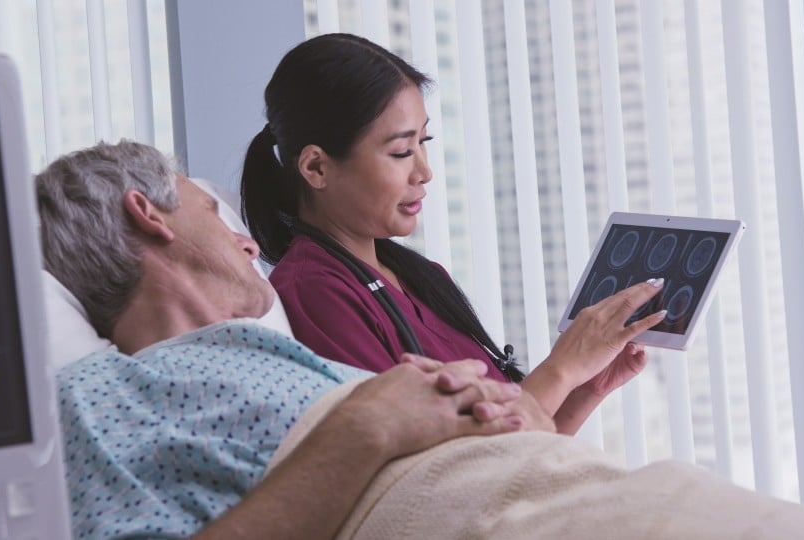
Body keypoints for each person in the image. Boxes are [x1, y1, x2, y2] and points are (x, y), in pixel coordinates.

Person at [40, 141, 804, 540]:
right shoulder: (101, 397)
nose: (246, 236)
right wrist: (368, 425)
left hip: (571, 491)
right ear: (146, 215)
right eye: (209, 209)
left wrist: (550, 406)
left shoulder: (292, 348)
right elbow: (376, 450)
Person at [240, 32, 658, 434]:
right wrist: (561, 369)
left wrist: (583, 388)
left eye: (425, 142)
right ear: (316, 167)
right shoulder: (314, 296)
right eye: (402, 152)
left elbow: (514, 453)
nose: (424, 172)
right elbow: (429, 472)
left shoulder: (421, 277)